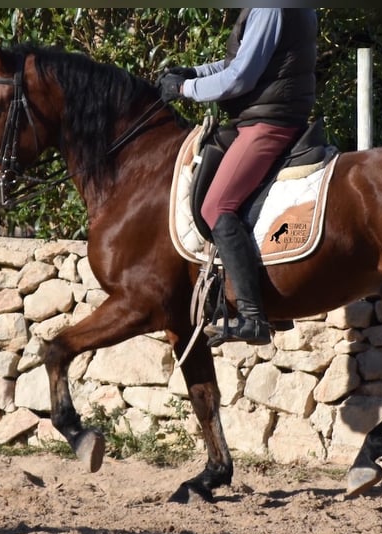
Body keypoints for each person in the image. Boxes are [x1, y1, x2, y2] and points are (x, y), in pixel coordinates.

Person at [158, 8, 317, 347]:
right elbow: (239, 61)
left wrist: (187, 89)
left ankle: (253, 316)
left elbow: (240, 78)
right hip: (258, 117)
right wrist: (193, 72)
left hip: (269, 121)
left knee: (217, 206)